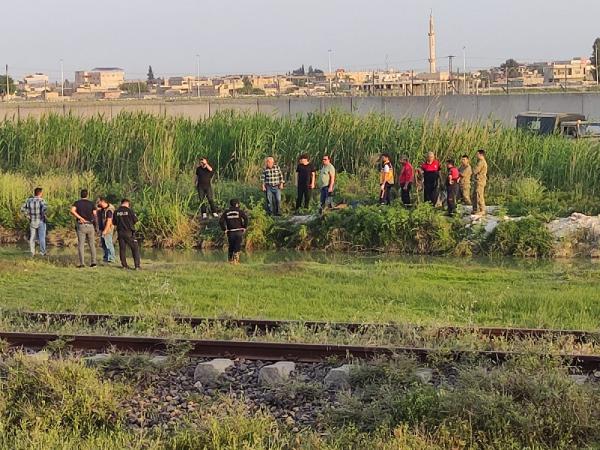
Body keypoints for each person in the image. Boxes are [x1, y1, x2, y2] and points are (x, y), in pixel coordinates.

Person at [70, 189, 97, 268]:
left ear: (80, 195)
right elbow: (95, 214)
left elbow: (72, 210)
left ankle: (82, 263)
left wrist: (80, 217)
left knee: (81, 244)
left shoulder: (77, 203)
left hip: (81, 225)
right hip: (90, 225)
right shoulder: (91, 203)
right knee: (92, 244)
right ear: (87, 195)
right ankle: (93, 262)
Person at [114, 199, 141, 270]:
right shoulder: (130, 211)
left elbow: (114, 222)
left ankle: (124, 265)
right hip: (129, 232)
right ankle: (137, 266)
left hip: (120, 232)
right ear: (127, 204)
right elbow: (135, 220)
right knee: (135, 248)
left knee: (122, 249)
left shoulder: (116, 212)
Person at [219, 199, 249, 264]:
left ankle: (230, 260)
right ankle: (236, 261)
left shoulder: (226, 212)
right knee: (237, 245)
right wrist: (244, 227)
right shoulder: (239, 211)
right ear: (237, 204)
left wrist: (224, 229)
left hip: (230, 232)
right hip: (238, 231)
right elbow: (246, 218)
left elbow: (221, 221)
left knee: (231, 246)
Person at [21, 187, 48, 257]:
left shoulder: (29, 200)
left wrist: (27, 215)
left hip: (32, 221)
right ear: (40, 193)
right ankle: (42, 252)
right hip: (41, 221)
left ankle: (32, 252)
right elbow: (44, 209)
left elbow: (22, 209)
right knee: (42, 237)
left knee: (32, 237)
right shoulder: (42, 201)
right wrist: (44, 215)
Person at [97, 197, 116, 264]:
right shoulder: (102, 209)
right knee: (104, 244)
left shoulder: (109, 210)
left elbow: (109, 221)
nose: (97, 203)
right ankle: (106, 257)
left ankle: (111, 258)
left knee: (108, 244)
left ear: (102, 201)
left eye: (98, 201)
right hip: (102, 229)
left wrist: (105, 230)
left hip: (108, 229)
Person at [472, 150, 488, 216]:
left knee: (479, 195)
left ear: (481, 155)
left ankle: (482, 210)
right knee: (475, 194)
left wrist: (472, 170)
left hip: (480, 180)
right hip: (478, 180)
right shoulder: (481, 162)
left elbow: (475, 170)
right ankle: (476, 209)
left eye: (477, 154)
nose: (476, 155)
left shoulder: (481, 162)